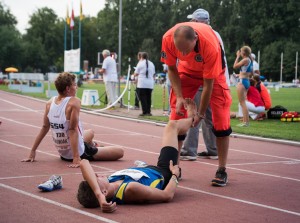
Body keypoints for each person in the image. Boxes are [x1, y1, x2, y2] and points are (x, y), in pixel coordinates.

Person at [77, 99, 197, 212]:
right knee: (172, 127)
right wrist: (175, 175)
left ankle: (186, 127)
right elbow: (167, 195)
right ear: (103, 192)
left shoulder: (108, 184)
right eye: (96, 180)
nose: (96, 175)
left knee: (176, 139)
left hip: (148, 170)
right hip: (165, 171)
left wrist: (98, 194)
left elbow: (84, 163)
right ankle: (193, 119)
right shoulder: (130, 189)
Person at [161, 22, 232, 186]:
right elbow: (172, 69)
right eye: (180, 51)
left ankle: (222, 169)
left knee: (221, 120)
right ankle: (174, 166)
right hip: (186, 71)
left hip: (214, 74)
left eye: (187, 50)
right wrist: (179, 97)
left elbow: (208, 85)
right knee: (176, 115)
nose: (184, 53)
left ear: (195, 39)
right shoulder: (167, 38)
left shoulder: (210, 46)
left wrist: (199, 114)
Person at [22, 72, 124, 168]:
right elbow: (72, 130)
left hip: (63, 153)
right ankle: (92, 148)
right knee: (120, 152)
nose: (77, 87)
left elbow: (44, 127)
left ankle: (92, 144)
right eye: (75, 85)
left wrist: (32, 151)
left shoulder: (49, 103)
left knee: (90, 132)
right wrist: (76, 157)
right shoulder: (74, 102)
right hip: (78, 152)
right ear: (68, 88)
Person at [181, 8, 230, 161]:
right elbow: (223, 61)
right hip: (215, 79)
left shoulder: (194, 35)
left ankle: (189, 150)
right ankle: (213, 149)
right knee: (210, 116)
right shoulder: (216, 35)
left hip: (200, 78)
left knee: (193, 113)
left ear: (195, 22)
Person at [233, 46, 254, 127]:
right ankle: (245, 122)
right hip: (246, 81)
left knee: (242, 103)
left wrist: (237, 56)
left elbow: (235, 66)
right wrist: (240, 74)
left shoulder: (245, 59)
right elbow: (251, 73)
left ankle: (246, 123)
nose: (240, 52)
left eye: (241, 52)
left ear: (243, 53)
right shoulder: (250, 60)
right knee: (243, 102)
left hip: (242, 82)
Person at [133, 52, 155, 116]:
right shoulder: (152, 63)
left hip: (142, 83)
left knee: (143, 98)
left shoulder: (140, 63)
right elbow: (153, 73)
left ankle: (144, 111)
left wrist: (133, 75)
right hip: (150, 83)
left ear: (141, 57)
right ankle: (149, 111)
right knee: (149, 98)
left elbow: (136, 73)